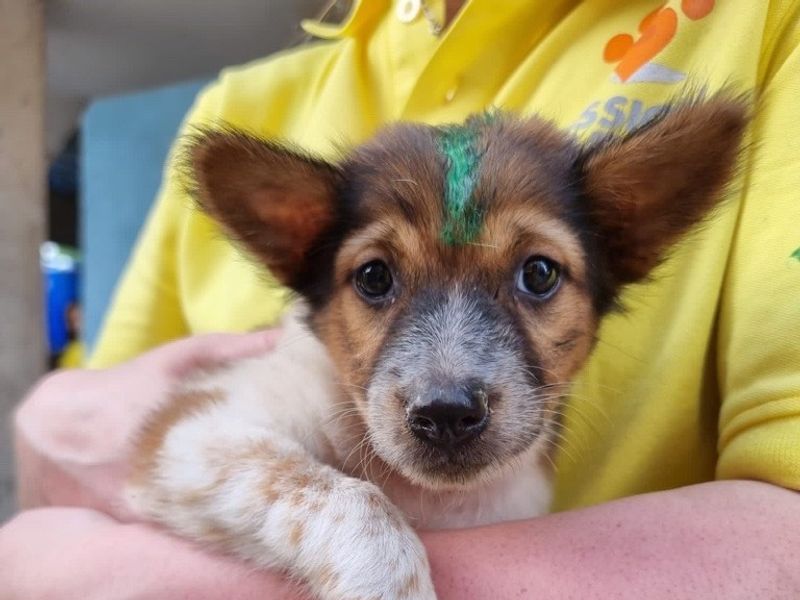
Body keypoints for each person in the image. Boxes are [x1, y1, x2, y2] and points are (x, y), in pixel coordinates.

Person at [4, 0, 800, 597]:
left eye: (537, 275)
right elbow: (138, 455)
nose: (444, 387)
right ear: (297, 250)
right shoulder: (235, 114)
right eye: (377, 278)